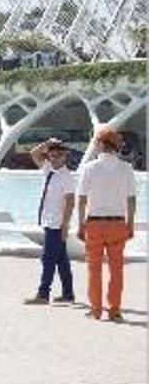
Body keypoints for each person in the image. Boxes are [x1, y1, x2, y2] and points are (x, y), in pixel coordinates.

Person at [76, 127, 137, 322]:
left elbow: (82, 199)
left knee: (94, 269)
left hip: (94, 223)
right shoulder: (126, 169)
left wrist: (80, 224)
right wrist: (130, 224)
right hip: (118, 223)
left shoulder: (89, 168)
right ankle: (114, 309)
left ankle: (96, 310)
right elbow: (131, 199)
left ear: (101, 144)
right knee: (116, 269)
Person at [23, 139, 76, 305]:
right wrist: (47, 143)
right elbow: (33, 154)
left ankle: (43, 294)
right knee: (61, 260)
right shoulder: (49, 170)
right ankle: (68, 294)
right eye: (52, 155)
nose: (55, 158)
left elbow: (70, 202)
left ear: (65, 156)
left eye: (59, 155)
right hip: (48, 221)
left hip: (57, 223)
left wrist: (65, 225)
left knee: (48, 259)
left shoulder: (66, 177)